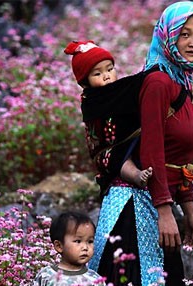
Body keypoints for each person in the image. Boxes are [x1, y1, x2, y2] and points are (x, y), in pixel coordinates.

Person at [86, 1, 193, 286]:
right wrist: (164, 211)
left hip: (156, 199)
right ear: (167, 36)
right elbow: (153, 149)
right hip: (135, 207)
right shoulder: (158, 83)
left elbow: (179, 156)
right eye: (184, 34)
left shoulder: (180, 82)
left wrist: (188, 209)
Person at [63, 40, 153, 191]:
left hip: (131, 139)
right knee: (119, 159)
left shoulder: (118, 89)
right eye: (97, 73)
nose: (106, 76)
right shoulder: (92, 100)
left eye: (110, 69)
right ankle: (137, 176)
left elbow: (135, 83)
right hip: (108, 148)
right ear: (85, 82)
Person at [25, 211, 111, 286]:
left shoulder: (95, 279)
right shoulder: (46, 276)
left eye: (90, 241)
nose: (85, 247)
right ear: (59, 246)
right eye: (78, 241)